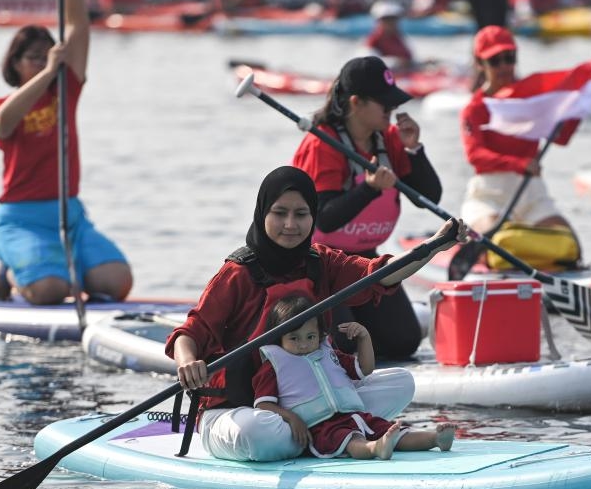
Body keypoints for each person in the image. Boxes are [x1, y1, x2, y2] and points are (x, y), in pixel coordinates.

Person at [168, 166, 465, 462]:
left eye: (300, 214)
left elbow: (379, 274)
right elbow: (189, 333)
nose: (290, 224)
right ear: (262, 214)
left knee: (401, 383)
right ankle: (333, 438)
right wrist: (187, 363)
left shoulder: (321, 261)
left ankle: (326, 436)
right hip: (241, 411)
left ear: (313, 216)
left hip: (311, 403)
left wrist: (434, 246)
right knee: (257, 432)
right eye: (279, 213)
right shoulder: (237, 273)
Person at [0, 0, 133, 305]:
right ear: (15, 64)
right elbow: (3, 124)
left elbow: (79, 27)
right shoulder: (3, 104)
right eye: (33, 57)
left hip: (70, 215)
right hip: (20, 218)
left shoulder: (65, 91)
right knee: (51, 291)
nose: (43, 60)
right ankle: (14, 272)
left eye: (47, 54)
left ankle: (63, 270)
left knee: (117, 282)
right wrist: (48, 72)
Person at [292, 56, 442, 359]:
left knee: (404, 343)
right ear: (356, 103)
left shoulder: (388, 140)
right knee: (344, 348)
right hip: (320, 266)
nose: (392, 110)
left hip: (365, 261)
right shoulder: (323, 144)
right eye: (384, 104)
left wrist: (414, 149)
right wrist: (370, 189)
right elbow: (327, 218)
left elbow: (428, 197)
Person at [254, 295, 457, 459]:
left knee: (394, 431)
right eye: (294, 338)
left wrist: (364, 337)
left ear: (320, 334)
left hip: (355, 416)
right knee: (352, 441)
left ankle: (434, 439)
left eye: (310, 337)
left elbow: (364, 369)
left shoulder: (328, 353)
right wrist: (292, 419)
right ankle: (375, 449)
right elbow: (263, 405)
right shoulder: (273, 365)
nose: (304, 344)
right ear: (279, 338)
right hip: (321, 427)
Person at [459, 26, 581, 262]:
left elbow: (562, 137)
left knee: (571, 246)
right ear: (479, 63)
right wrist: (520, 163)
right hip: (489, 196)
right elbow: (475, 155)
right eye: (495, 61)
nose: (504, 66)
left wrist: (576, 106)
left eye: (509, 58)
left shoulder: (533, 102)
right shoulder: (474, 109)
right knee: (495, 250)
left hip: (532, 196)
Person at [366, 1, 414, 70]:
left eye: (394, 19)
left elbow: (409, 61)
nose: (392, 23)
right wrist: (396, 62)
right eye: (387, 20)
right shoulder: (372, 41)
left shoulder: (399, 38)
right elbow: (368, 65)